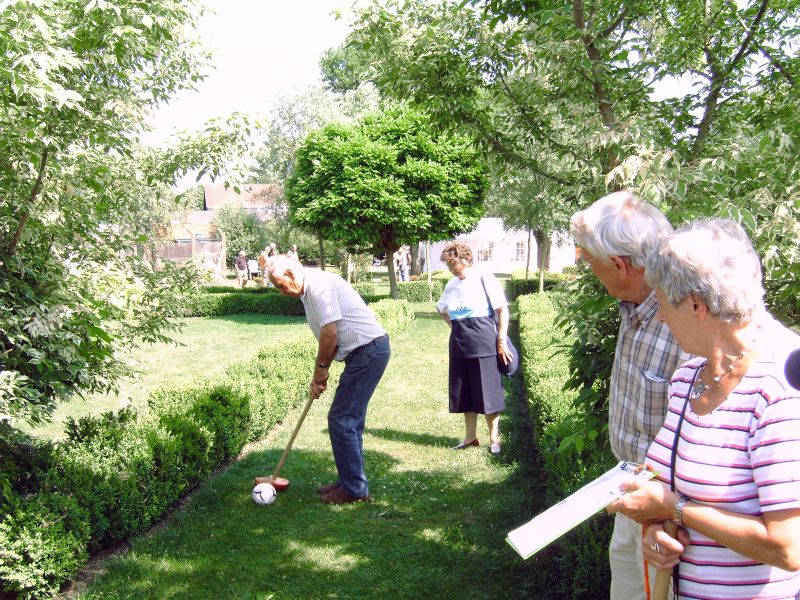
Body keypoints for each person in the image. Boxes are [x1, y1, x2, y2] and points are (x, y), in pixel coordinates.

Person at [608, 219, 800, 599]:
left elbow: (789, 548)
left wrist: (676, 509)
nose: (660, 317)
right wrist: (657, 532)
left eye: (664, 304)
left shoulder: (777, 393)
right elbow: (670, 488)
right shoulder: (688, 377)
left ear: (696, 304)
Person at [570, 190, 689, 599]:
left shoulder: (684, 322)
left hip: (669, 519)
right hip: (630, 491)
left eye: (590, 262)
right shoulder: (633, 305)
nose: (590, 271)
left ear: (619, 265)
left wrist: (670, 512)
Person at [255, 255, 391, 504]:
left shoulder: (318, 286)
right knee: (349, 420)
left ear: (291, 273)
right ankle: (350, 480)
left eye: (281, 286)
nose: (282, 292)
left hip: (369, 351)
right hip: (364, 352)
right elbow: (330, 337)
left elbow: (330, 335)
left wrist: (320, 370)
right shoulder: (307, 290)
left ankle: (354, 490)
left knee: (342, 419)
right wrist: (322, 373)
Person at [436, 241, 511, 454]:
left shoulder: (483, 278)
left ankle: (494, 439)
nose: (451, 268)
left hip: (484, 341)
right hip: (459, 343)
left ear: (466, 259)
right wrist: (455, 326)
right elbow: (441, 309)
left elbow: (502, 310)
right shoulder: (451, 285)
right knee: (465, 391)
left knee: (488, 391)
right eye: (448, 264)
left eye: (453, 263)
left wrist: (501, 340)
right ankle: (470, 437)